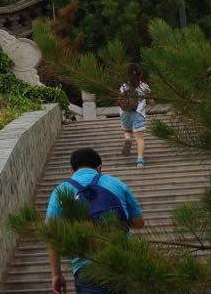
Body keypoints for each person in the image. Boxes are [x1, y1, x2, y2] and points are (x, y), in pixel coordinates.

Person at [45, 147, 145, 294]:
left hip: (86, 268)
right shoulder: (116, 184)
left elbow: (51, 235)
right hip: (124, 260)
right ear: (100, 168)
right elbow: (139, 222)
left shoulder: (61, 191)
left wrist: (56, 274)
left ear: (72, 170)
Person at [118, 63, 152, 167]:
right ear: (139, 73)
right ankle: (140, 161)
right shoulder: (144, 86)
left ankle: (128, 139)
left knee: (127, 130)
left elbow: (119, 99)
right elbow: (151, 101)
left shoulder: (123, 86)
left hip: (125, 112)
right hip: (138, 113)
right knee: (140, 138)